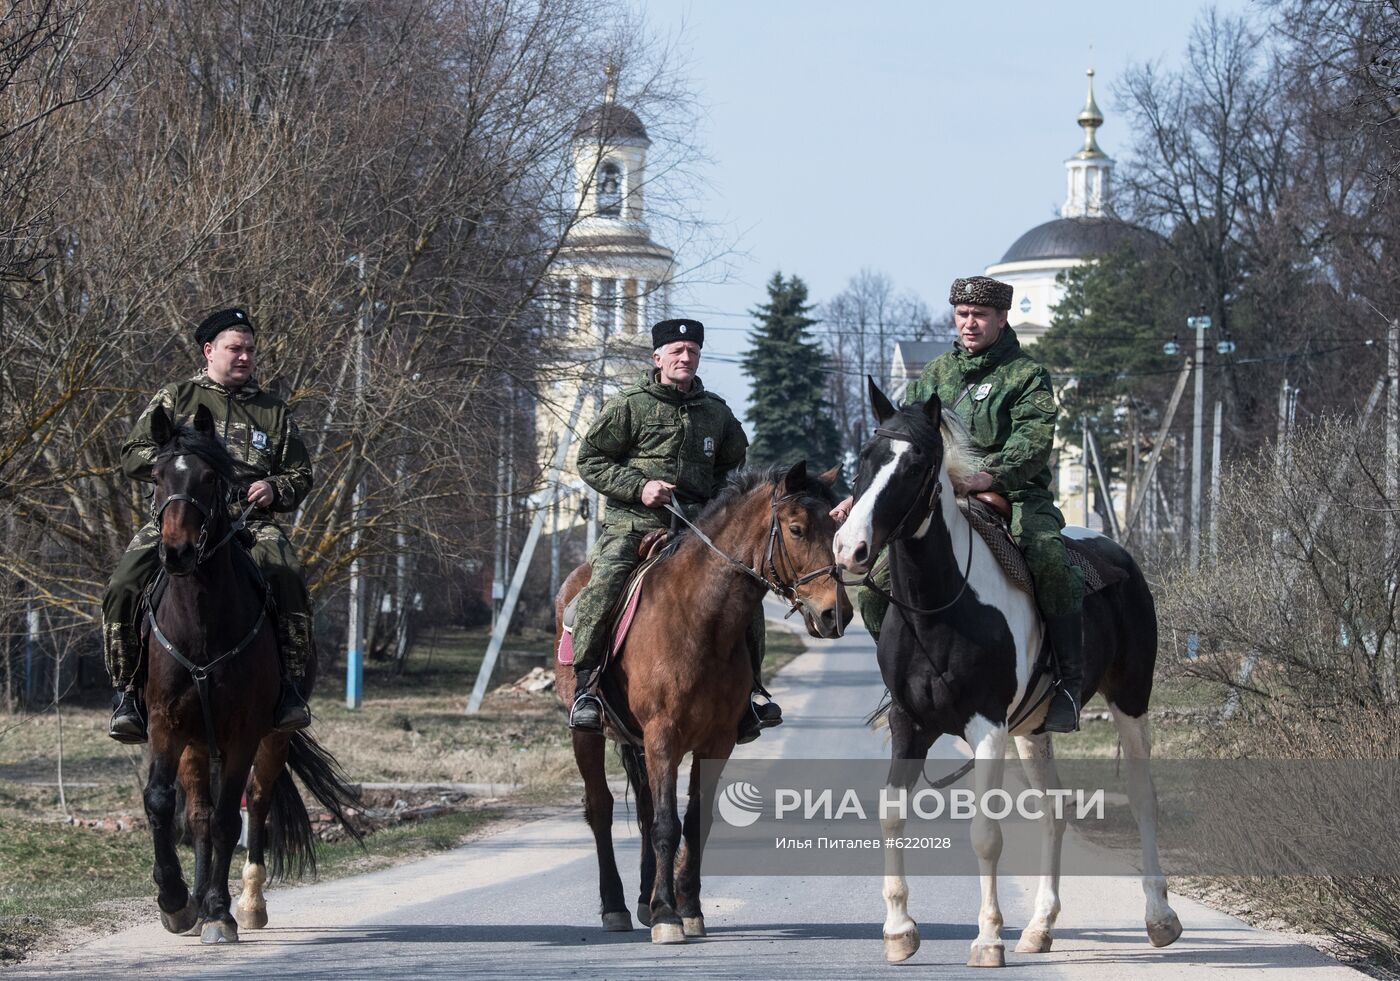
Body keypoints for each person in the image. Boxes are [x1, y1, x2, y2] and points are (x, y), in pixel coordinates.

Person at [831, 276, 1084, 732]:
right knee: (874, 587)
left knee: (1049, 559)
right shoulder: (935, 374)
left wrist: (991, 475)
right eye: (963, 314)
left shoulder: (1027, 376)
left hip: (1014, 495)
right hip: (939, 498)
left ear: (1002, 318)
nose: (970, 324)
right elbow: (901, 445)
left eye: (980, 315)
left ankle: (1066, 683)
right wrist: (865, 496)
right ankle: (903, 686)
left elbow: (1034, 442)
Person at [103, 307, 316, 742]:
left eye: (250, 350)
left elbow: (300, 474)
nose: (244, 357)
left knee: (289, 576)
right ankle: (126, 693)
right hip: (182, 518)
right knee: (124, 584)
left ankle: (290, 691)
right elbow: (132, 453)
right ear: (209, 350)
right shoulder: (176, 397)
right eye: (235, 349)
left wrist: (275, 489)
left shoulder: (273, 411)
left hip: (249, 523)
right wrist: (176, 464)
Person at [568, 317, 780, 742]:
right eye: (678, 352)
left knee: (746, 597)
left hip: (698, 532)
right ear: (658, 357)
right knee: (604, 585)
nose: (686, 358)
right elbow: (590, 460)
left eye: (693, 352)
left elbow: (731, 466)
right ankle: (587, 689)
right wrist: (640, 486)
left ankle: (750, 694)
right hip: (634, 525)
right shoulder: (629, 405)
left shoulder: (716, 412)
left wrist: (717, 508)